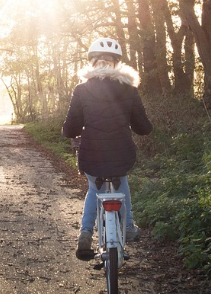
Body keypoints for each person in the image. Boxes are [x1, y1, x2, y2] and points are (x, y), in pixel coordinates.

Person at [62, 37, 153, 260]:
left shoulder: (82, 90)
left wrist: (71, 132)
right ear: (117, 64)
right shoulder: (129, 90)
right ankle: (129, 226)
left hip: (91, 153)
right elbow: (143, 127)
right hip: (122, 152)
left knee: (94, 188)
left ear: (92, 63)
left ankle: (85, 233)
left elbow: (70, 127)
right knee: (121, 181)